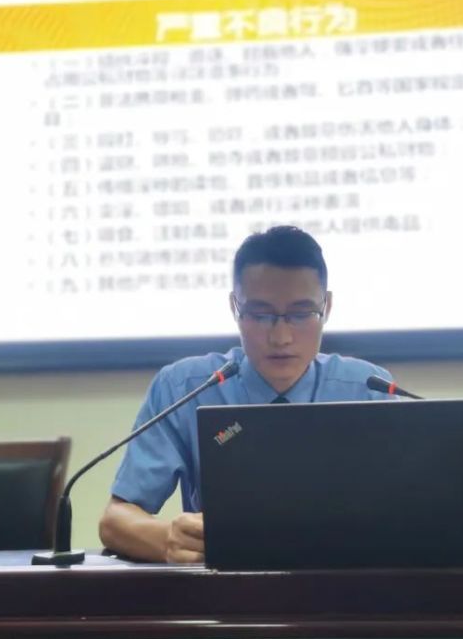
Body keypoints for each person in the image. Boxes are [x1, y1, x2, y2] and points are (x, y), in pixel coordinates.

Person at [98, 225, 392, 563]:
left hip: (344, 586)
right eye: (259, 314)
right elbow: (115, 519)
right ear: (234, 307)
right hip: (223, 588)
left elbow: (408, 509)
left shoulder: (368, 389)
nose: (281, 337)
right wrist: (167, 539)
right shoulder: (185, 387)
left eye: (301, 314)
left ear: (326, 307)